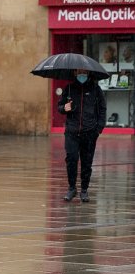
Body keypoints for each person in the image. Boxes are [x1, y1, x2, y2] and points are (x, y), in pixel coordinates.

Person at [57, 69, 106, 202]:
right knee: (71, 159)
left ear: (89, 73)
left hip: (90, 132)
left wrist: (98, 129)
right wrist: (63, 108)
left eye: (84, 72)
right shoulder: (69, 89)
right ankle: (72, 188)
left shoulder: (96, 90)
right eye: (79, 72)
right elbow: (59, 106)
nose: (81, 74)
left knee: (87, 162)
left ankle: (84, 190)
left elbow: (102, 109)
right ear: (74, 73)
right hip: (72, 132)